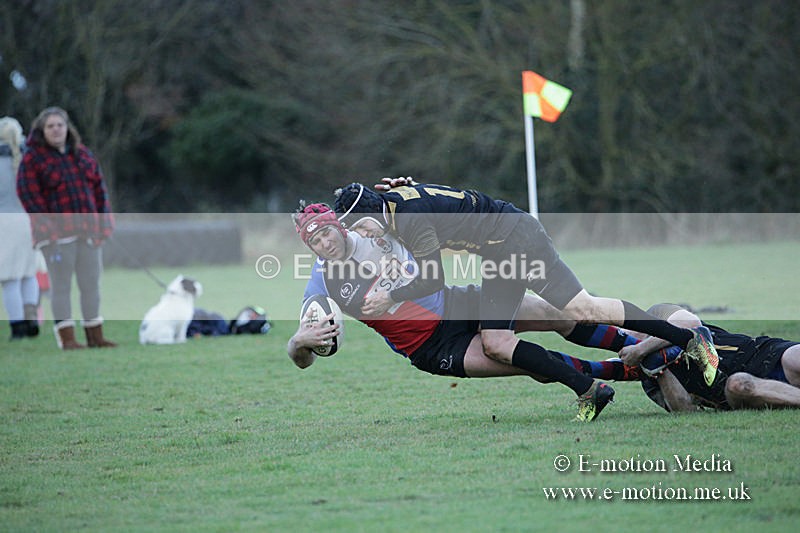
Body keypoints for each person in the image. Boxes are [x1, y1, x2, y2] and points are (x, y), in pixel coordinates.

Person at [332, 179, 720, 391]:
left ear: (369, 212)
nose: (361, 235)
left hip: (516, 238)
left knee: (582, 308)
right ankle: (587, 389)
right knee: (496, 341)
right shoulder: (393, 201)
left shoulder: (410, 219)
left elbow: (433, 278)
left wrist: (391, 294)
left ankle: (691, 340)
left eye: (359, 226)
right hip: (498, 253)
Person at [287, 202, 623, 421]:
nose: (325, 244)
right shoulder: (322, 282)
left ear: (338, 226)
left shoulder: (373, 227)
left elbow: (411, 203)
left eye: (327, 233)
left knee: (554, 314)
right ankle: (623, 372)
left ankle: (632, 343)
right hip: (432, 346)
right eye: (315, 242)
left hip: (456, 301)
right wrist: (298, 342)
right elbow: (306, 356)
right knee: (531, 364)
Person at [16, 107, 116, 349]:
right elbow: (29, 197)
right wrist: (49, 229)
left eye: (59, 125)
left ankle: (95, 335)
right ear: (42, 130)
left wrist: (104, 223)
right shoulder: (32, 159)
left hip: (88, 233)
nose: (56, 129)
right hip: (56, 239)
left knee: (91, 285)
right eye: (50, 126)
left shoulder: (82, 154)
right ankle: (67, 338)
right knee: (61, 288)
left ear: (67, 127)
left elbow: (99, 190)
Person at [616, 304, 800, 412]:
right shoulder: (649, 378)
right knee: (739, 384)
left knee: (794, 357)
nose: (624, 334)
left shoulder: (658, 313)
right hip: (733, 390)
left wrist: (642, 348)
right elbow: (685, 409)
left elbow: (691, 323)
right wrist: (658, 367)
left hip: (760, 353)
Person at [0, 117, 40, 341]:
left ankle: (17, 326)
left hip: (3, 222)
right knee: (28, 273)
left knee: (9, 279)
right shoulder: (29, 159)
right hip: (27, 220)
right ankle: (31, 316)